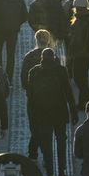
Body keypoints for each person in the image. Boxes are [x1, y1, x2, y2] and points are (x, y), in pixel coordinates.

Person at [28, 48, 78, 176]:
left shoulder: (33, 72)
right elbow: (68, 92)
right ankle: (61, 173)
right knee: (61, 143)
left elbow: (31, 98)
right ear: (54, 58)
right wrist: (73, 112)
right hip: (59, 113)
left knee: (47, 146)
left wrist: (32, 118)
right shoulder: (61, 71)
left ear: (42, 58)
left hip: (41, 114)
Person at [20, 29, 52, 158]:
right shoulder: (53, 57)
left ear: (36, 40)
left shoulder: (29, 57)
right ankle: (45, 154)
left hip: (33, 98)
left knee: (34, 126)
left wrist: (29, 90)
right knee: (46, 127)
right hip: (49, 99)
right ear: (48, 41)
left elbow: (23, 78)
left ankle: (33, 152)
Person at [67, 0, 89, 110]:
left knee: (78, 78)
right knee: (83, 78)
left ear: (77, 7)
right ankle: (81, 103)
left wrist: (71, 54)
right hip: (88, 53)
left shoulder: (79, 20)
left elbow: (76, 40)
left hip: (79, 54)